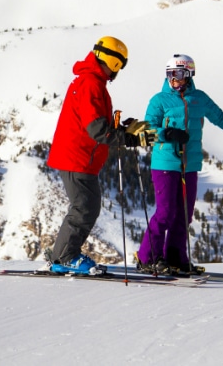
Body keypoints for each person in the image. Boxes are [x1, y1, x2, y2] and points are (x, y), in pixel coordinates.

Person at [135, 54, 223, 275]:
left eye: (180, 74)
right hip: (165, 163)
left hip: (189, 164)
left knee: (184, 214)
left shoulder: (199, 98)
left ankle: (175, 258)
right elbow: (147, 129)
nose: (175, 79)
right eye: (171, 74)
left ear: (189, 74)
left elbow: (219, 117)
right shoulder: (159, 100)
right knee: (165, 213)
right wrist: (167, 133)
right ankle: (148, 258)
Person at [46, 36, 151, 275]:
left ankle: (62, 252)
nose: (119, 72)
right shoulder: (91, 83)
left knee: (86, 206)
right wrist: (129, 138)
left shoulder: (91, 81)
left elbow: (97, 123)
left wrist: (124, 130)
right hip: (77, 157)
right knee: (84, 208)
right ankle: (64, 256)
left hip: (80, 158)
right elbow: (96, 129)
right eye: (120, 66)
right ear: (113, 62)